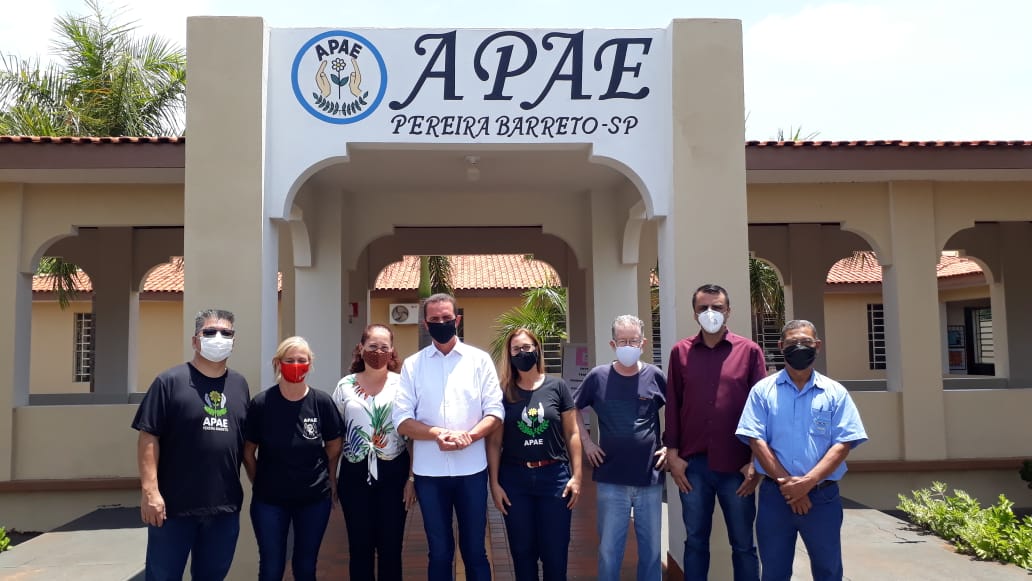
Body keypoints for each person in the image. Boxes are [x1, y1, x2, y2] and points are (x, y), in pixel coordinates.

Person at [736, 320, 867, 581]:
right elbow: (756, 440)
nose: (799, 347)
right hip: (776, 498)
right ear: (780, 346)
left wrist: (807, 483)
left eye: (806, 342)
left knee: (828, 571)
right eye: (792, 342)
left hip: (822, 498)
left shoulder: (835, 393)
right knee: (774, 572)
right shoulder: (762, 391)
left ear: (817, 346)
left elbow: (843, 444)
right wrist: (789, 486)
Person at [132, 308, 251, 581]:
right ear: (195, 340)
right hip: (172, 509)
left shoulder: (239, 385)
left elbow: (245, 443)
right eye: (210, 332)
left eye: (226, 333)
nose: (218, 338)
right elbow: (148, 437)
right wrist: (150, 492)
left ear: (234, 341)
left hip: (224, 508)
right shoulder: (169, 382)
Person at [392, 293, 504, 581]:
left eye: (446, 318)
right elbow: (401, 420)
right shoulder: (413, 365)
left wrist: (470, 436)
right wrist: (436, 434)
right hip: (429, 474)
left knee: (475, 551)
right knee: (439, 552)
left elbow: (495, 412)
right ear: (425, 324)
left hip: (472, 471)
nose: (441, 323)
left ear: (457, 320)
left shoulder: (479, 361)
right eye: (434, 319)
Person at [664, 283, 765, 581]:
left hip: (738, 466)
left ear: (728, 311)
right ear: (694, 314)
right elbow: (673, 405)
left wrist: (755, 461)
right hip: (693, 467)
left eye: (717, 307)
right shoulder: (680, 352)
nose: (711, 313)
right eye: (703, 308)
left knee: (743, 545)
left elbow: (762, 410)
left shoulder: (749, 352)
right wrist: (673, 456)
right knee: (695, 542)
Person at [574, 314, 667, 581]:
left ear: (643, 343)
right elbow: (572, 409)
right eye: (622, 341)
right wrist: (587, 443)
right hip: (611, 479)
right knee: (609, 551)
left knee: (651, 552)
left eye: (633, 341)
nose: (628, 346)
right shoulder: (598, 377)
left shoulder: (655, 376)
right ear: (613, 344)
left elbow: (678, 411)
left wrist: (670, 445)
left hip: (649, 478)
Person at [242, 336, 343, 581]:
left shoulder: (321, 402)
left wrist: (325, 475)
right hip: (269, 501)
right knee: (271, 567)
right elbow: (248, 451)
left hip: (313, 499)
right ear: (278, 363)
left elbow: (334, 444)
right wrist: (259, 480)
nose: (296, 365)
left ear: (310, 364)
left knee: (306, 566)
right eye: (290, 360)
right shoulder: (262, 404)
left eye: (301, 360)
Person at [487, 328, 583, 581]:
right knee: (522, 553)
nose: (522, 353)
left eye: (527, 347)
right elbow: (494, 442)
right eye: (516, 349)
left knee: (555, 554)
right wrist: (494, 484)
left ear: (537, 349)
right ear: (509, 354)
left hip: (554, 478)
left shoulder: (557, 386)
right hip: (515, 480)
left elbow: (572, 433)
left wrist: (577, 477)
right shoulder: (503, 392)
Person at [333, 324, 416, 581]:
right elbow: (336, 436)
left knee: (391, 548)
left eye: (383, 347)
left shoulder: (403, 385)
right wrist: (331, 477)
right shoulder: (345, 386)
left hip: (394, 473)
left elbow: (412, 437)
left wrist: (411, 479)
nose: (378, 352)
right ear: (361, 348)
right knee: (360, 548)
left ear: (391, 351)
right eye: (372, 346)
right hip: (354, 474)